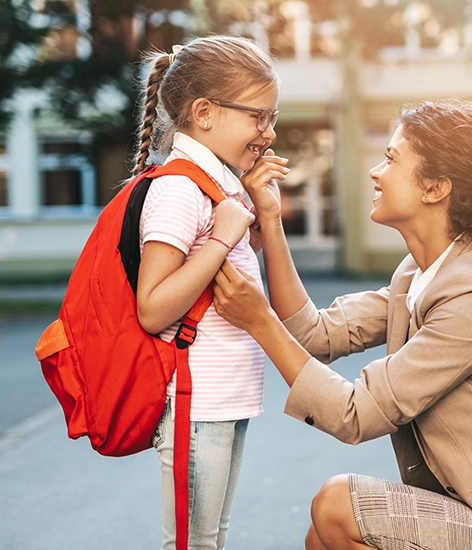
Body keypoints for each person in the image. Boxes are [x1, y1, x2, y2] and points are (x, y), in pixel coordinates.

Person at [213, 100, 472, 550]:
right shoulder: (420, 274)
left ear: (434, 188)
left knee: (337, 505)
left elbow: (354, 413)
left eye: (391, 159)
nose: (376, 172)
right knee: (322, 536)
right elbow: (316, 334)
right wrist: (272, 220)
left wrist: (259, 320)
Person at [131, 36, 290, 549]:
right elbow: (153, 307)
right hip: (196, 403)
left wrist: (258, 210)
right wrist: (223, 233)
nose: (267, 133)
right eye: (258, 117)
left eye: (272, 118)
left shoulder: (217, 183)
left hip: (224, 398)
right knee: (193, 544)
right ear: (204, 113)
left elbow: (228, 273)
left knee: (210, 539)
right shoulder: (180, 188)